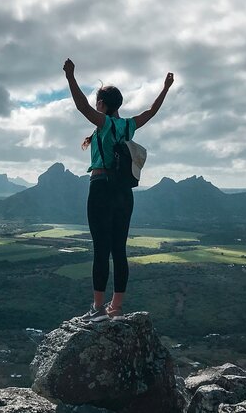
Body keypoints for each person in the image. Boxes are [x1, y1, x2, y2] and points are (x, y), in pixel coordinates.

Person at [63, 58, 174, 321]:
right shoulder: (127, 126)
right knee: (119, 250)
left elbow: (80, 106)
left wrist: (70, 76)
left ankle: (98, 309)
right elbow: (151, 111)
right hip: (125, 192)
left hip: (101, 188)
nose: (95, 105)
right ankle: (116, 307)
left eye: (98, 101)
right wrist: (166, 88)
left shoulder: (105, 123)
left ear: (102, 104)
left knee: (101, 249)